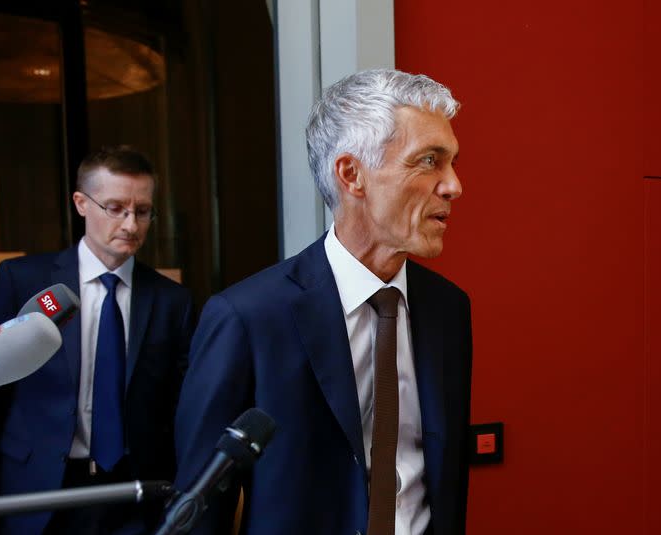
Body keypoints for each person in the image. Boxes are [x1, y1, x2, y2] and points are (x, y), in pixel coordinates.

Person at [174, 69, 472, 535]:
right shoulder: (248, 318)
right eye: (429, 161)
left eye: (452, 162)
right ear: (352, 175)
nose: (454, 186)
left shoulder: (448, 310)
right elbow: (200, 510)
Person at [0, 146, 195, 535]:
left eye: (142, 211)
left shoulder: (172, 302)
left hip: (133, 494)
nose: (131, 224)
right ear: (81, 203)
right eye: (116, 208)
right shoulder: (23, 281)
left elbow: (182, 408)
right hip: (34, 489)